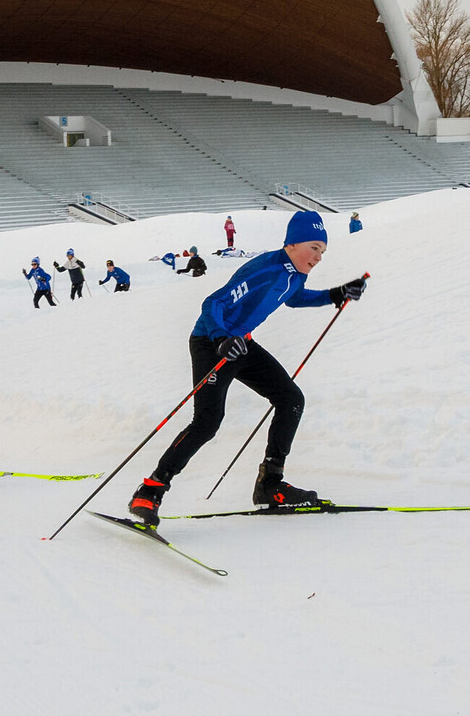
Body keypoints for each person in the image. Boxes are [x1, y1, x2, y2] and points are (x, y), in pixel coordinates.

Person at [128, 209, 367, 526]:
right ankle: (151, 489)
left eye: (323, 250)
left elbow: (293, 298)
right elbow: (213, 303)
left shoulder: (296, 273)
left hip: (240, 343)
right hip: (212, 342)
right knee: (207, 423)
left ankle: (270, 484)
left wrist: (334, 294)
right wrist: (221, 337)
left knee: (291, 399)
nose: (319, 256)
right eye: (314, 247)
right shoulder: (264, 270)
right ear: (293, 244)